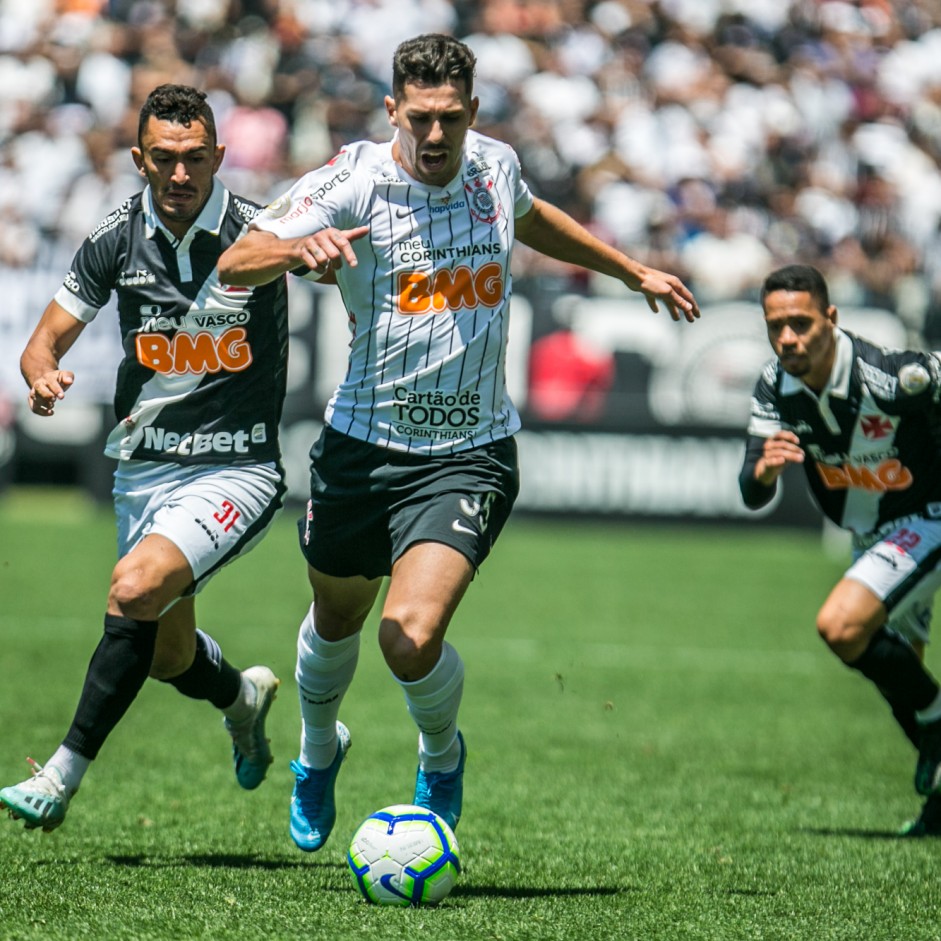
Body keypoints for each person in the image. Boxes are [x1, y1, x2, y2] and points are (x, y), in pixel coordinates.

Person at [217, 33, 700, 851]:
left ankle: (440, 756)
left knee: (407, 634)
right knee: (336, 618)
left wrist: (628, 269)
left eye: (449, 119)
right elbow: (237, 260)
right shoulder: (354, 177)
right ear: (391, 110)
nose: (434, 136)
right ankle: (316, 749)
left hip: (469, 452)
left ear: (471, 112)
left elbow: (532, 217)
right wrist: (300, 246)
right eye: (419, 119)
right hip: (360, 447)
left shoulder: (494, 166)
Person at [1, 84, 290, 833]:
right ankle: (241, 698)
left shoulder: (259, 230)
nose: (180, 173)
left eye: (196, 157)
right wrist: (40, 374)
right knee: (165, 653)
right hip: (144, 467)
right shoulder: (113, 237)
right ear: (139, 159)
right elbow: (45, 340)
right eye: (163, 158)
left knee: (132, 588)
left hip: (237, 466)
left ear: (219, 156)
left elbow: (325, 262)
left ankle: (60, 774)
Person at [739, 263, 941, 838]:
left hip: (928, 518)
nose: (787, 339)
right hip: (873, 536)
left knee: (841, 625)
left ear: (831, 318)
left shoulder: (896, 377)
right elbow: (750, 492)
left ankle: (937, 720)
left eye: (800, 324)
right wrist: (764, 472)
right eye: (775, 326)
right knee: (900, 673)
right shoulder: (774, 385)